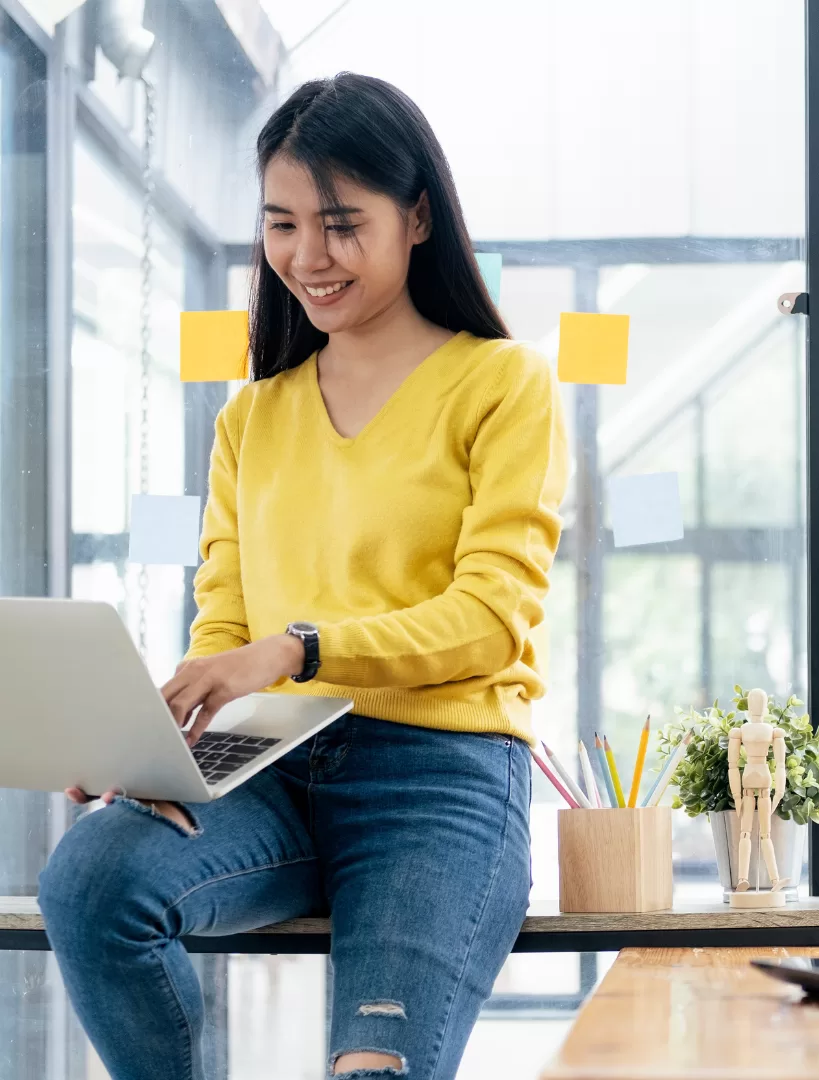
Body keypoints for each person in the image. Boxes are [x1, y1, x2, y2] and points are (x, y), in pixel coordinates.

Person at [37, 72, 568, 1080]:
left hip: (438, 779)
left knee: (373, 1071)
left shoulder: (503, 383)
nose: (306, 258)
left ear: (417, 217)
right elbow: (223, 619)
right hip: (266, 766)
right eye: (282, 225)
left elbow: (491, 616)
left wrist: (299, 647)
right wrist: (163, 750)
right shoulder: (252, 417)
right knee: (91, 883)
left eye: (339, 223)